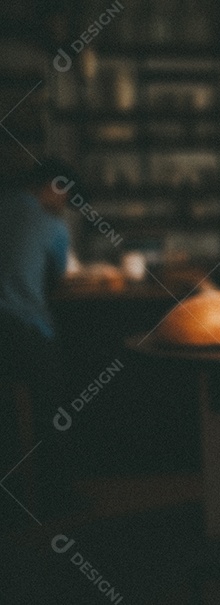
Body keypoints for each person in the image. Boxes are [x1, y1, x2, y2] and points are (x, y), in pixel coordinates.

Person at [0, 159, 75, 526]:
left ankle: (11, 499)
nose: (65, 202)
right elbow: (59, 279)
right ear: (53, 186)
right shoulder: (50, 224)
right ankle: (56, 498)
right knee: (53, 411)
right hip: (24, 329)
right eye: (66, 194)